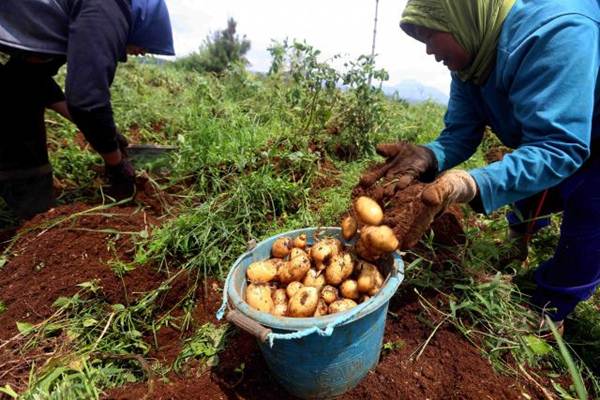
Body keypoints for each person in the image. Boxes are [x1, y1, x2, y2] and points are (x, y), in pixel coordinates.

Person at [365, 0, 599, 325]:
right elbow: (460, 133)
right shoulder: (471, 63)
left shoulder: (557, 31)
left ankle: (549, 309)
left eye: (431, 35)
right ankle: (519, 241)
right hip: (555, 134)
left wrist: (470, 184)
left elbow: (560, 145)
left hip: (590, 128)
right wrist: (429, 154)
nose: (429, 50)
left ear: (462, 15)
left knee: (590, 209)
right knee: (527, 175)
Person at [0, 0, 175, 220]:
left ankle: (33, 211)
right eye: (145, 47)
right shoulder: (109, 5)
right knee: (17, 108)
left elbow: (30, 79)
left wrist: (104, 133)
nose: (142, 53)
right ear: (142, 21)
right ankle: (36, 218)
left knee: (16, 94)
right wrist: (116, 163)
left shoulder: (60, 23)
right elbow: (88, 101)